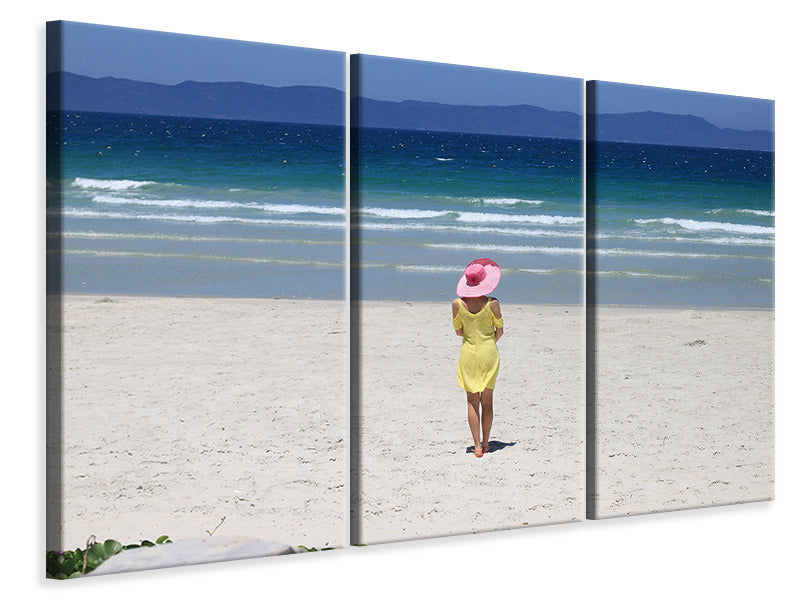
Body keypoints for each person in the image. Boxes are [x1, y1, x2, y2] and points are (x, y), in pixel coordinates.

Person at [451, 258, 503, 458]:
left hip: (469, 354)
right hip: (489, 353)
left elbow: (458, 332)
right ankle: (487, 443)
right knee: (487, 401)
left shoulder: (457, 304)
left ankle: (477, 446)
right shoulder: (493, 304)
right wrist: (490, 342)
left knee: (472, 402)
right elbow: (500, 331)